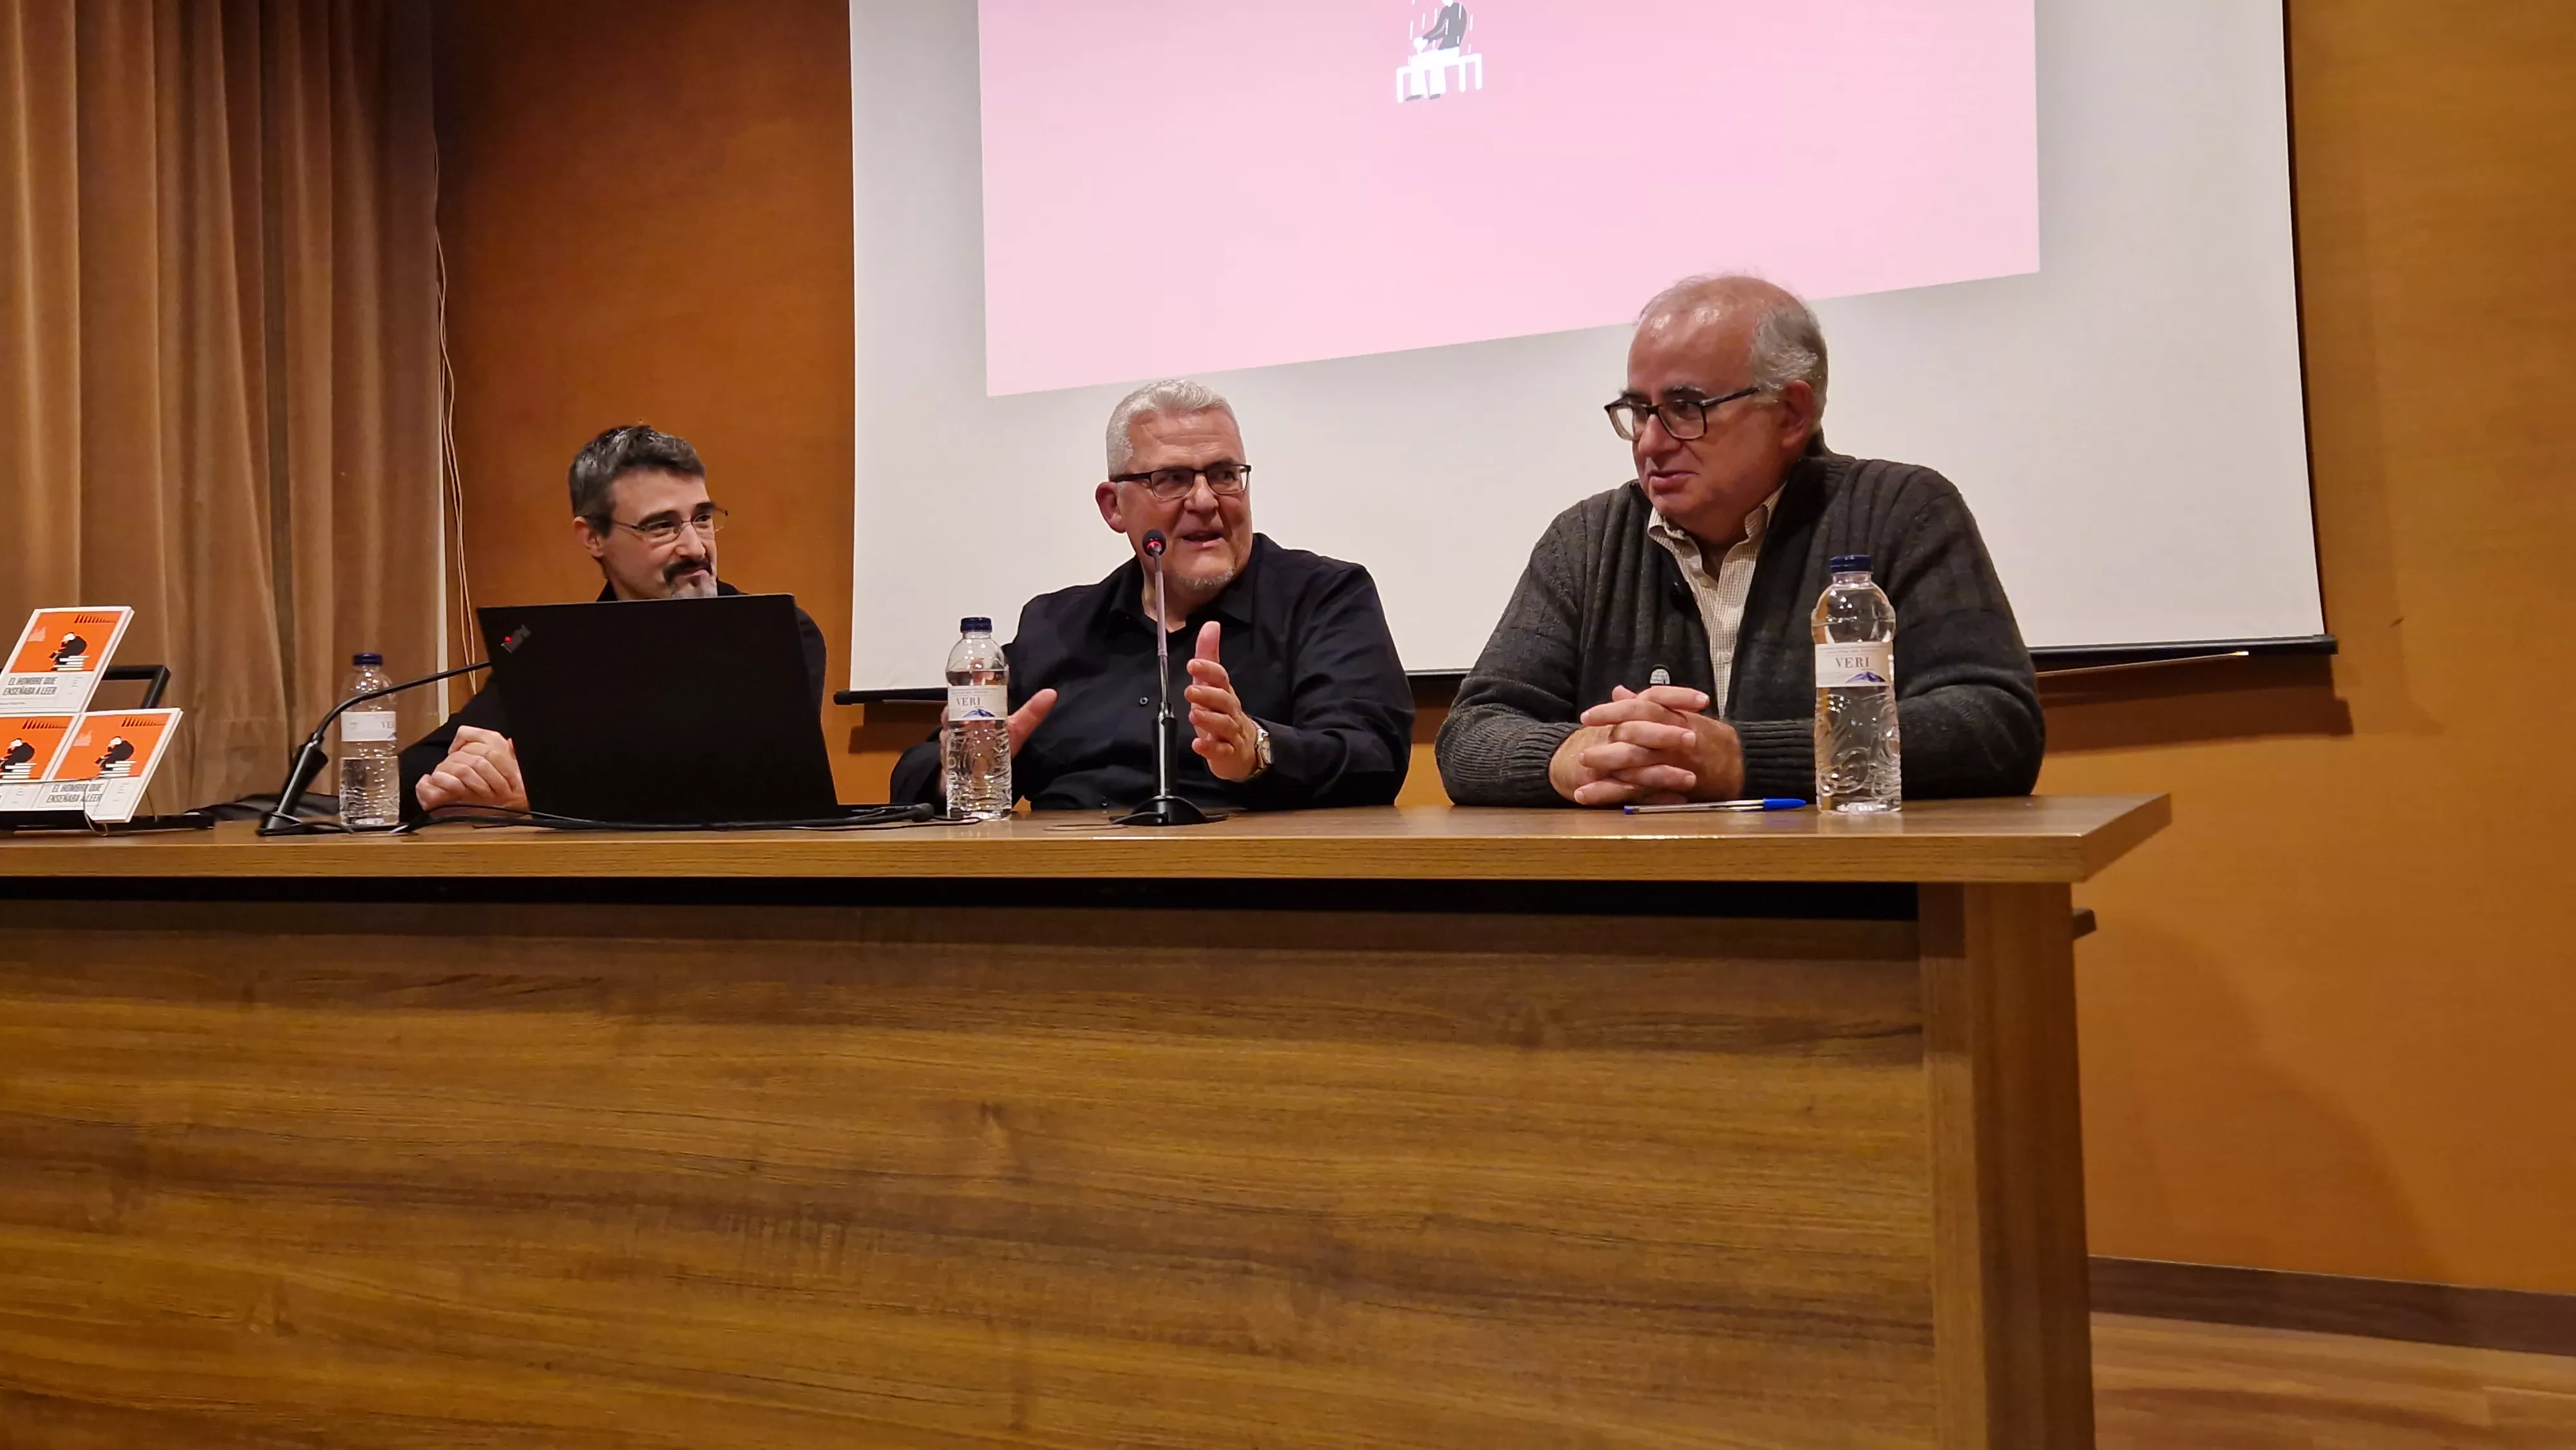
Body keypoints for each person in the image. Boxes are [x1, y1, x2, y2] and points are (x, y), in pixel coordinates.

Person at [1436, 274, 2043, 807]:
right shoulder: (1587, 540)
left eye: (1685, 407)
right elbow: (1470, 735)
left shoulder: (1900, 510)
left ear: (1790, 414)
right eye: (1638, 411)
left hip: (1854, 901)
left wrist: (1740, 758)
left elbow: (1993, 726)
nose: (1650, 442)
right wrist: (1578, 754)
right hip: (1634, 903)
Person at [890, 379, 1412, 814]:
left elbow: (1375, 758)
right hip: (1059, 889)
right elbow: (913, 778)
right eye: (1173, 479)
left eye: (1225, 475)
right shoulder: (1056, 624)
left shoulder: (1323, 597)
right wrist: (964, 766)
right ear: (1114, 507)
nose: (1206, 501)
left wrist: (1258, 753)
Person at [400, 424, 827, 818]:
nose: (696, 548)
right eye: (662, 526)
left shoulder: (776, 633)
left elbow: (752, 786)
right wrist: (454, 780)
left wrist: (538, 796)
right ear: (593, 538)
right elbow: (416, 770)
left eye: (702, 518)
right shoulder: (554, 652)